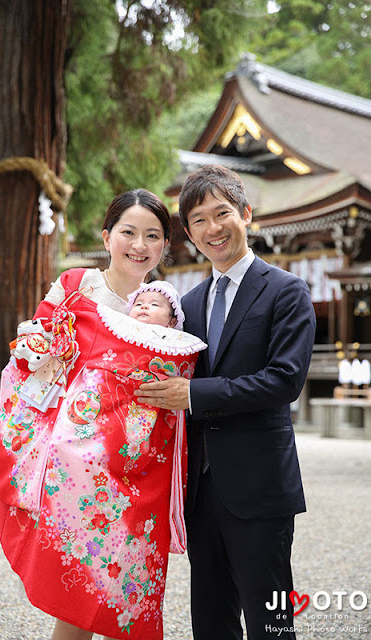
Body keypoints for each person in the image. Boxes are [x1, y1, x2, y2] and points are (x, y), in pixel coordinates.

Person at [0, 188, 206, 640]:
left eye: (153, 236)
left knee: (126, 577)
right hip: (76, 460)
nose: (139, 245)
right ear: (107, 238)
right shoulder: (75, 286)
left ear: (165, 246)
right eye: (129, 232)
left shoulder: (168, 310)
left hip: (138, 464)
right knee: (79, 580)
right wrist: (38, 349)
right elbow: (37, 353)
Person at [134, 165, 316, 640]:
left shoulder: (287, 291)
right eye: (198, 220)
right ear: (190, 233)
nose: (212, 229)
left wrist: (193, 395)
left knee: (270, 620)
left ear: (246, 214)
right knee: (210, 620)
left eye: (222, 214)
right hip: (200, 489)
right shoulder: (187, 305)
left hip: (259, 486)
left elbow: (283, 381)